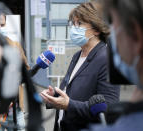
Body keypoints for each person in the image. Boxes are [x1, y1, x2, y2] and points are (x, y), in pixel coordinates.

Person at [40, 2, 120, 131]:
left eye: (79, 24)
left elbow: (107, 106)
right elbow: (74, 91)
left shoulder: (106, 59)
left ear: (96, 29)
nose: (74, 28)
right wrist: (54, 96)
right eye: (73, 24)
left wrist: (69, 105)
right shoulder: (78, 55)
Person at [83, 0, 143, 131]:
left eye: (112, 22)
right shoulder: (77, 56)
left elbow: (109, 99)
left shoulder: (101, 57)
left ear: (135, 34)